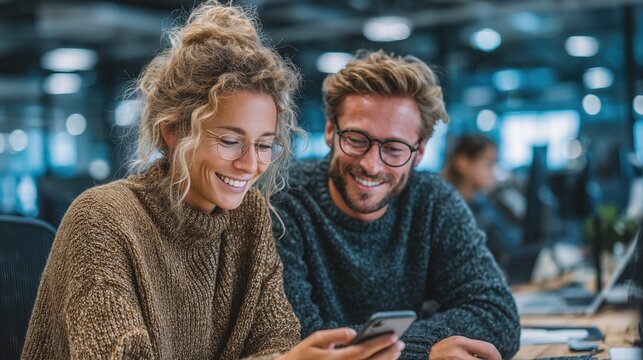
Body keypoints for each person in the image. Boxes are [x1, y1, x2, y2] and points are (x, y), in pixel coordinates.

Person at [22, 3, 405, 359]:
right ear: (171, 132)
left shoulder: (248, 215)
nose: (251, 164)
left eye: (264, 144)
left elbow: (276, 340)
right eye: (230, 141)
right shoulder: (102, 219)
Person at [273, 50, 520, 360]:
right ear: (329, 131)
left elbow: (499, 317)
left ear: (419, 152)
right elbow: (300, 343)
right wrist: (422, 350)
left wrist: (411, 347)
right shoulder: (284, 203)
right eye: (356, 139)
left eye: (393, 148)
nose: (372, 165)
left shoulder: (433, 201)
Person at [442, 134, 523, 266]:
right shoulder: (445, 208)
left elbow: (511, 244)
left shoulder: (480, 204)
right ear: (463, 162)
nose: (493, 173)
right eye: (488, 164)